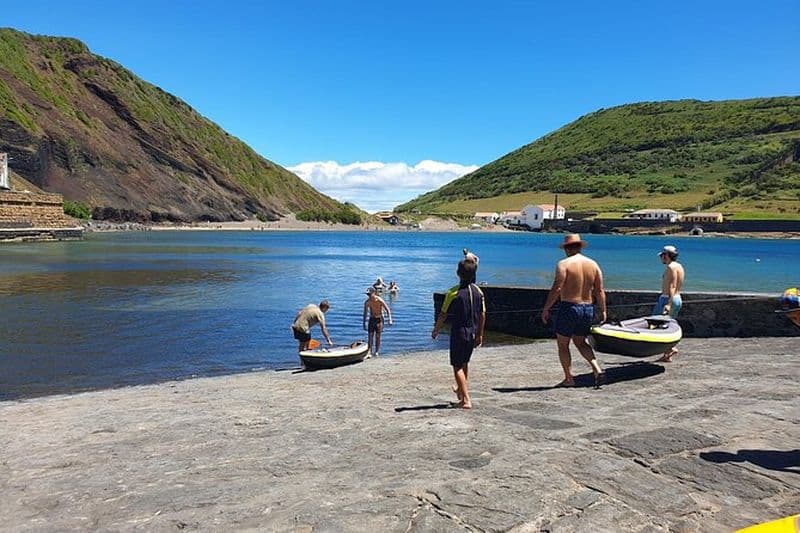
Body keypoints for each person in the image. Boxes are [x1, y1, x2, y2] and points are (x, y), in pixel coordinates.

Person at [541, 234, 606, 387]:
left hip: (569, 306)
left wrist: (546, 308)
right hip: (587, 307)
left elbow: (557, 288)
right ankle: (596, 368)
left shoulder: (564, 264)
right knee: (581, 341)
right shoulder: (593, 264)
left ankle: (569, 378)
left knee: (563, 344)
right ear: (579, 247)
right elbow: (599, 290)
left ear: (566, 249)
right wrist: (603, 309)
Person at [431, 258, 486, 409]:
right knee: (464, 363)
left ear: (457, 274)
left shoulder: (453, 292)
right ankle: (461, 392)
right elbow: (482, 315)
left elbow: (443, 314)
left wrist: (436, 329)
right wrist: (480, 334)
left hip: (459, 332)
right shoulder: (478, 291)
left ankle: (466, 399)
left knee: (457, 366)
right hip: (472, 332)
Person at [653, 245, 685, 362]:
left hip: (667, 299)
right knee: (666, 327)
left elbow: (672, 286)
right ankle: (667, 354)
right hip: (677, 298)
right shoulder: (679, 266)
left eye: (662, 255)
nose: (661, 258)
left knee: (656, 324)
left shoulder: (671, 268)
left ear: (666, 255)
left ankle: (671, 349)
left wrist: (668, 304)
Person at [363, 287, 393, 357]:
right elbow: (365, 313)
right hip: (372, 319)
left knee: (377, 336)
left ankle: (376, 351)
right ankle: (369, 351)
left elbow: (388, 309)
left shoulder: (379, 300)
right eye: (368, 295)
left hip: (379, 319)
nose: (369, 296)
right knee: (370, 336)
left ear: (374, 293)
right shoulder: (367, 302)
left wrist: (390, 319)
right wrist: (364, 323)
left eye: (370, 294)